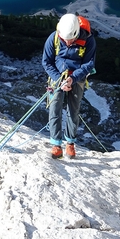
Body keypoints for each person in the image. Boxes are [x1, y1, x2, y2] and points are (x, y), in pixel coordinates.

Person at [42, 13, 96, 159]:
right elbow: (47, 62)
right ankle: (56, 145)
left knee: (73, 109)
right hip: (57, 77)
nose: (67, 42)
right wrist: (59, 80)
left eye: (70, 39)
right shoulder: (54, 37)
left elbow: (89, 64)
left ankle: (70, 144)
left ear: (77, 33)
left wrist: (72, 79)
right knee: (55, 108)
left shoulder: (88, 40)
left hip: (77, 77)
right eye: (64, 39)